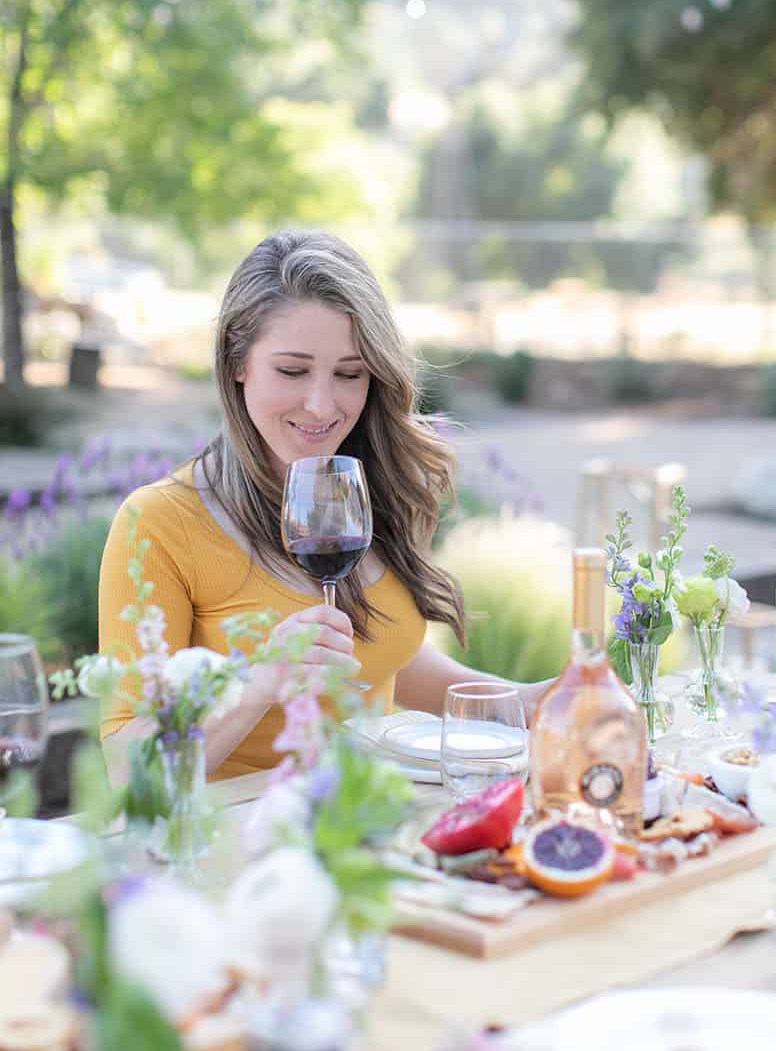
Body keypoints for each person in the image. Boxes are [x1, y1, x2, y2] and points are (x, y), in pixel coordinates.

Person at [99, 230, 551, 781]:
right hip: (240, 848)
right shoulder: (160, 523)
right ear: (238, 363)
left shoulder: (369, 484)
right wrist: (258, 684)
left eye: (349, 373)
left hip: (373, 830)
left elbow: (385, 657)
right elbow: (128, 768)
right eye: (292, 370)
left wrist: (520, 703)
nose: (322, 405)